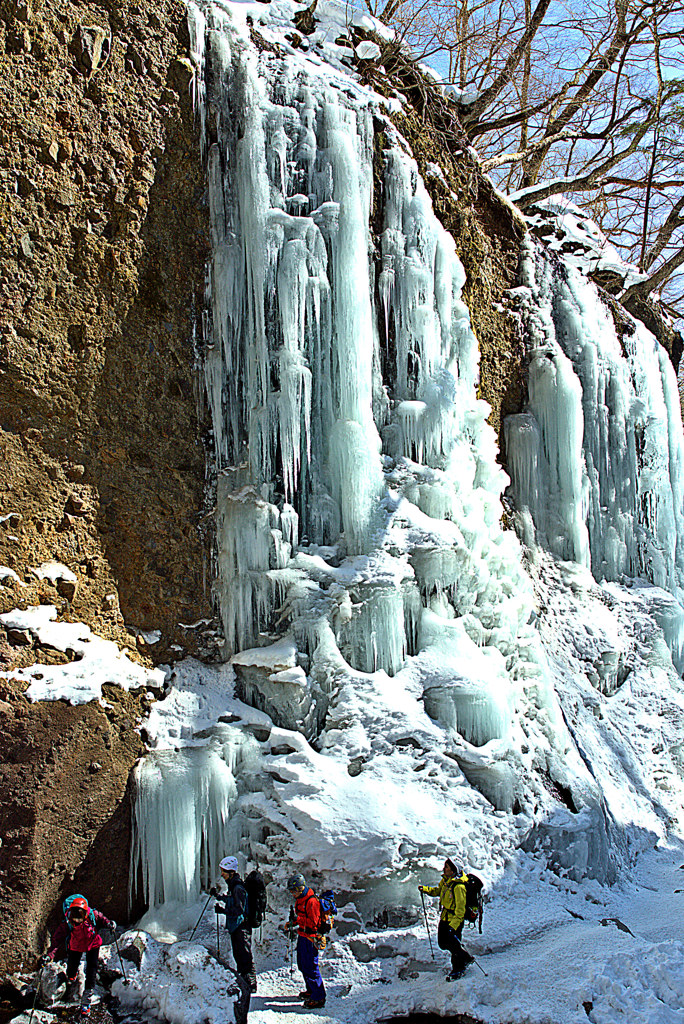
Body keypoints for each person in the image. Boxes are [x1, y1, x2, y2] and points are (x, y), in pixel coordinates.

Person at [43, 894, 116, 1014]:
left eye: (78, 920)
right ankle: (72, 975)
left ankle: (86, 1002)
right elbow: (57, 940)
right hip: (75, 947)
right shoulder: (67, 923)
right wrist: (50, 955)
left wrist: (109, 924)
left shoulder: (93, 915)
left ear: (85, 915)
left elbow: (102, 919)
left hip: (93, 945)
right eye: (74, 921)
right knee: (72, 967)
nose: (76, 923)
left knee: (91, 971)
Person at [418, 858, 474, 980]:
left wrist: (453, 926)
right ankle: (465, 957)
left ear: (453, 870)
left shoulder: (459, 887)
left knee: (454, 945)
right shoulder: (446, 881)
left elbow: (460, 910)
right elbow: (438, 891)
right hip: (445, 917)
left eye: (447, 867)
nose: (444, 868)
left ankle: (458, 969)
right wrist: (426, 889)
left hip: (454, 920)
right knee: (443, 943)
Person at [214, 856, 257, 994]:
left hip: (241, 927)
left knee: (244, 955)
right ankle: (244, 982)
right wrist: (219, 897)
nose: (222, 874)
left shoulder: (237, 887)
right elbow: (232, 900)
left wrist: (223, 911)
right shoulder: (234, 886)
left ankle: (250, 984)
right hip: (237, 927)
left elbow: (238, 909)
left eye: (224, 871)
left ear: (231, 872)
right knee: (239, 955)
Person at [284, 873, 326, 1009]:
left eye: (293, 890)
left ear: (300, 888)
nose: (292, 893)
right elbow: (303, 918)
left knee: (310, 966)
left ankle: (319, 997)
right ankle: (311, 990)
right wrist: (293, 922)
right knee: (302, 964)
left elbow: (313, 923)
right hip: (303, 935)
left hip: (310, 937)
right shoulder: (300, 900)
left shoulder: (311, 902)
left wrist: (298, 920)